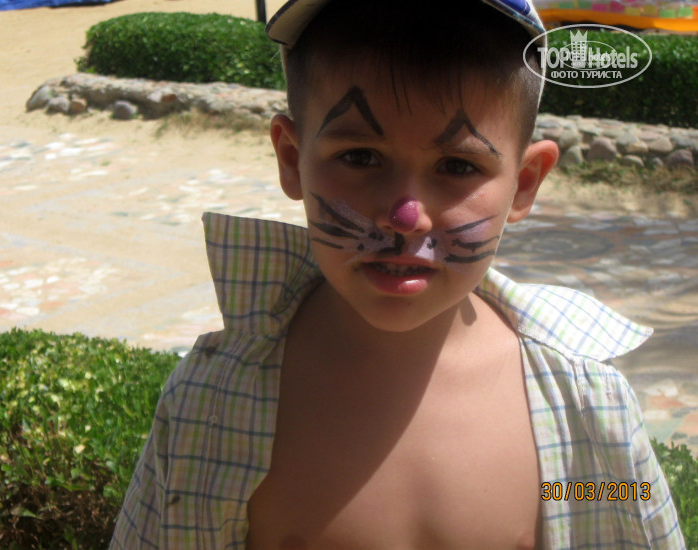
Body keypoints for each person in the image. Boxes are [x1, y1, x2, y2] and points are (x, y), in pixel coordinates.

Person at [110, 0, 685, 548]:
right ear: (291, 160)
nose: (406, 217)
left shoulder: (588, 410)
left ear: (524, 183)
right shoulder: (209, 405)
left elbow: (611, 510)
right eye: (360, 157)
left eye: (457, 165)